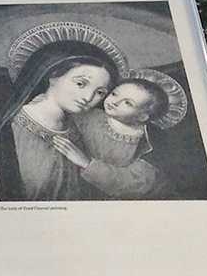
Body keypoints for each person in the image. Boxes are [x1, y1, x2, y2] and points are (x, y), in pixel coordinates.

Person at [0, 24, 126, 200]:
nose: (88, 97)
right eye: (81, 83)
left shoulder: (77, 129)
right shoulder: (16, 126)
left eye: (100, 92)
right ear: (53, 74)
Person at [57, 70, 190, 198]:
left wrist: (87, 164)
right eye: (115, 94)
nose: (114, 102)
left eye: (127, 103)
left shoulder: (147, 144)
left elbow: (135, 183)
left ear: (143, 116)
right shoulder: (87, 116)